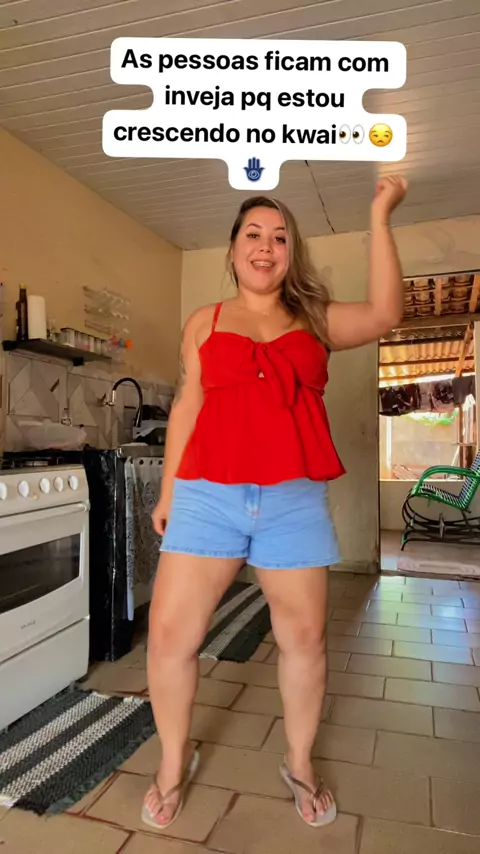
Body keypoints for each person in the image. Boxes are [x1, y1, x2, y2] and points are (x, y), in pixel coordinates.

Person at [142, 175, 407, 831]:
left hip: (291, 500)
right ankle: (172, 764)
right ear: (233, 248)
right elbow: (188, 406)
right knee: (171, 637)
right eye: (254, 234)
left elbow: (385, 314)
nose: (266, 246)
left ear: (292, 252)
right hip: (207, 495)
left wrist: (380, 215)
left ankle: (299, 762)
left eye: (280, 237)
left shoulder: (315, 319)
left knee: (305, 639)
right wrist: (169, 489)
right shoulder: (204, 321)